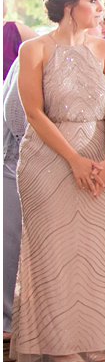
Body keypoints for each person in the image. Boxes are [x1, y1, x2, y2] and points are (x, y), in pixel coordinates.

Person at [10, 0, 105, 362]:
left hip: (96, 157)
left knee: (89, 249)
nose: (99, 8)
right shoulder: (34, 49)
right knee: (52, 249)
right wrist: (73, 159)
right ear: (70, 6)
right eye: (92, 0)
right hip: (47, 158)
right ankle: (55, 343)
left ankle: (89, 335)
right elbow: (34, 113)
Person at [3, 64, 23, 338]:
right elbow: (16, 116)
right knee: (11, 238)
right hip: (16, 159)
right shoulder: (32, 50)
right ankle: (6, 318)